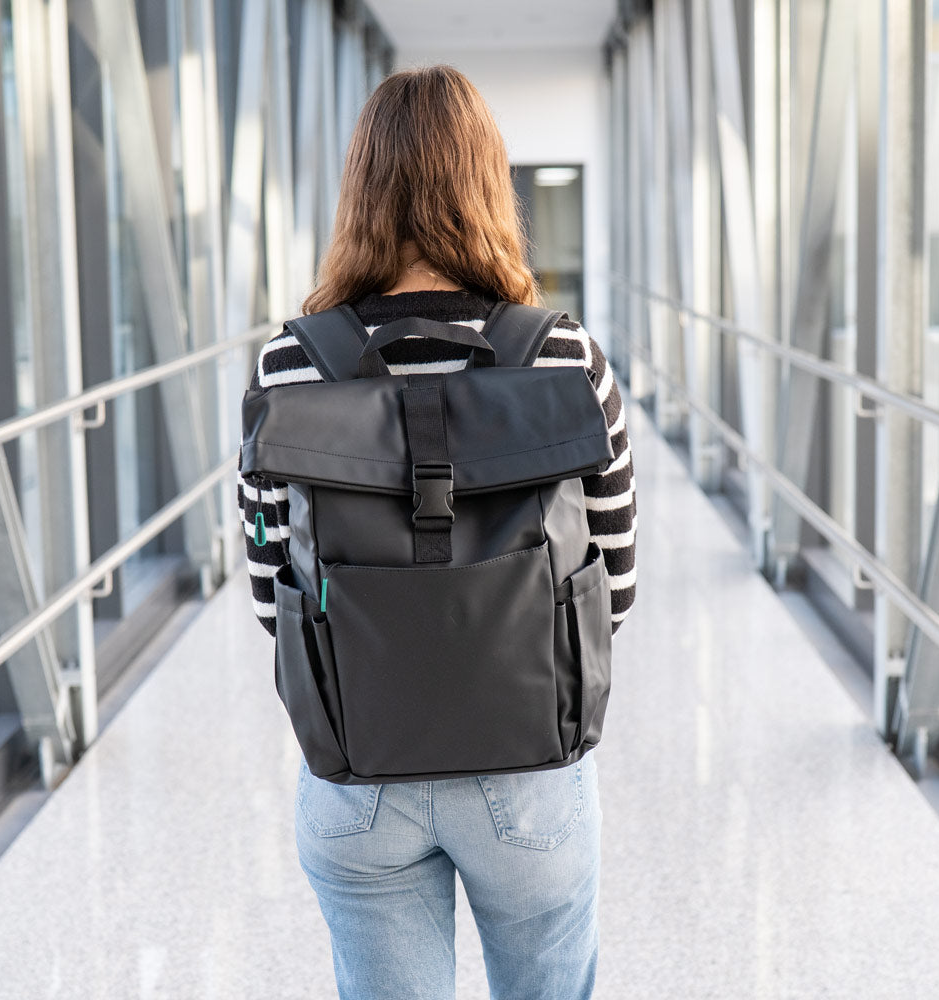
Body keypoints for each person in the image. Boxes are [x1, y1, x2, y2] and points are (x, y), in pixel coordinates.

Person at [237, 65, 637, 1000]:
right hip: (529, 765)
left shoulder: (290, 365)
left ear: (360, 189)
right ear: (488, 182)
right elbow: (612, 587)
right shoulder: (565, 356)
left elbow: (272, 597)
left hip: (358, 771)